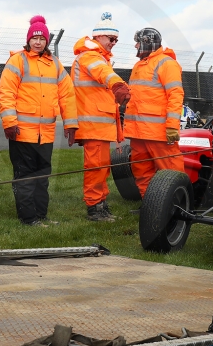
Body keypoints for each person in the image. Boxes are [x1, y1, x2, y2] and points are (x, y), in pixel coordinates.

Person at [0, 15, 77, 226]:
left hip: (46, 134)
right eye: (35, 38)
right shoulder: (17, 61)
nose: (38, 42)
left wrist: (70, 124)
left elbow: (67, 96)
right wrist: (9, 123)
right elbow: (6, 93)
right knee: (25, 177)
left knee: (42, 178)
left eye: (42, 38)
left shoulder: (56, 65)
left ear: (47, 42)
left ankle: (41, 216)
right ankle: (28, 218)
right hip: (22, 132)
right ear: (28, 39)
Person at [71, 12, 131, 221]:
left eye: (116, 40)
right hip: (93, 124)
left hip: (99, 124)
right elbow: (103, 74)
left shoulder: (98, 57)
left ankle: (101, 203)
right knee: (96, 167)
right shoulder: (90, 56)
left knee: (102, 167)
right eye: (111, 39)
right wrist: (118, 85)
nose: (114, 43)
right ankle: (95, 208)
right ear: (98, 37)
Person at [123, 27, 186, 197]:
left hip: (158, 133)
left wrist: (172, 126)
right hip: (139, 132)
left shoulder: (167, 63)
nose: (136, 45)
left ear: (147, 42)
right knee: (142, 170)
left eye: (138, 41)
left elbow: (176, 94)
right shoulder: (139, 65)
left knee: (171, 171)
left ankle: (177, 205)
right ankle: (150, 205)